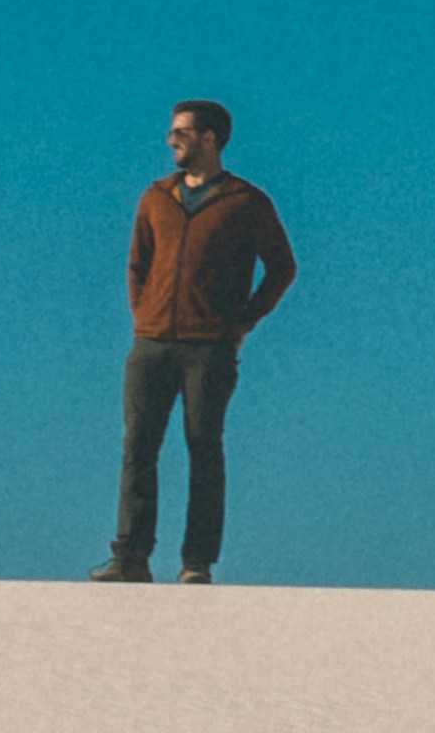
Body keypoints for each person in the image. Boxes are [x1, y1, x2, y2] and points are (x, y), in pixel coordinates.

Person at [106, 99, 295, 577]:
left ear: (210, 138)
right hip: (151, 344)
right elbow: (137, 265)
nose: (171, 140)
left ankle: (196, 562)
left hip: (209, 348)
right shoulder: (155, 197)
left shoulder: (246, 202)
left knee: (203, 448)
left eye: (181, 132)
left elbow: (282, 268)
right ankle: (131, 556)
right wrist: (143, 316)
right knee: (139, 448)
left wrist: (242, 323)